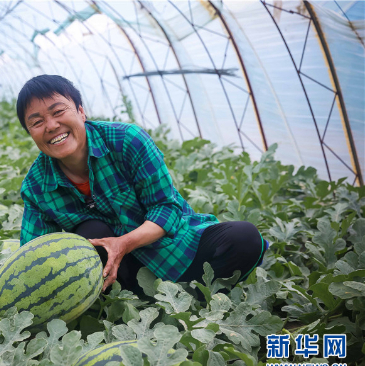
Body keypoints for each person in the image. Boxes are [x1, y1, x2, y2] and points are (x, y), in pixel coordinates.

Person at [17, 75, 269, 294]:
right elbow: (33, 258)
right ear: (30, 133)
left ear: (81, 111)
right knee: (89, 232)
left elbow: (166, 208)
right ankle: (134, 300)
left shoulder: (127, 140)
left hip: (176, 250)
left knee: (245, 238)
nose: (51, 126)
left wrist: (123, 243)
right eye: (37, 122)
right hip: (119, 275)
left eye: (58, 111)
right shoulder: (36, 187)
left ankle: (191, 296)